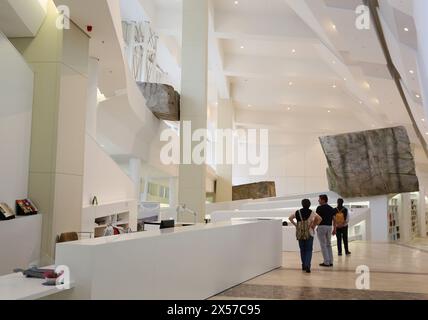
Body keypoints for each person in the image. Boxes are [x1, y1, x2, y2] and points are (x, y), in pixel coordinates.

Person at [289, 199, 322, 273]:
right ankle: (307, 265)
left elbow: (290, 218)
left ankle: (303, 265)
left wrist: (296, 225)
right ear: (309, 204)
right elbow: (320, 218)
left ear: (302, 204)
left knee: (302, 249)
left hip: (300, 233)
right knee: (309, 250)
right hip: (309, 233)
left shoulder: (297, 212)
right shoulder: (311, 212)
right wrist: (313, 225)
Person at [316, 194, 336, 267]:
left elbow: (317, 218)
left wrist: (314, 226)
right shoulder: (331, 208)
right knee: (328, 244)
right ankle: (330, 261)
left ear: (323, 200)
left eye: (319, 199)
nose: (318, 200)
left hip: (322, 227)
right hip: (329, 227)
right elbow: (334, 219)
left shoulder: (319, 208)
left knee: (323, 244)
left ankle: (326, 262)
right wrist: (335, 229)